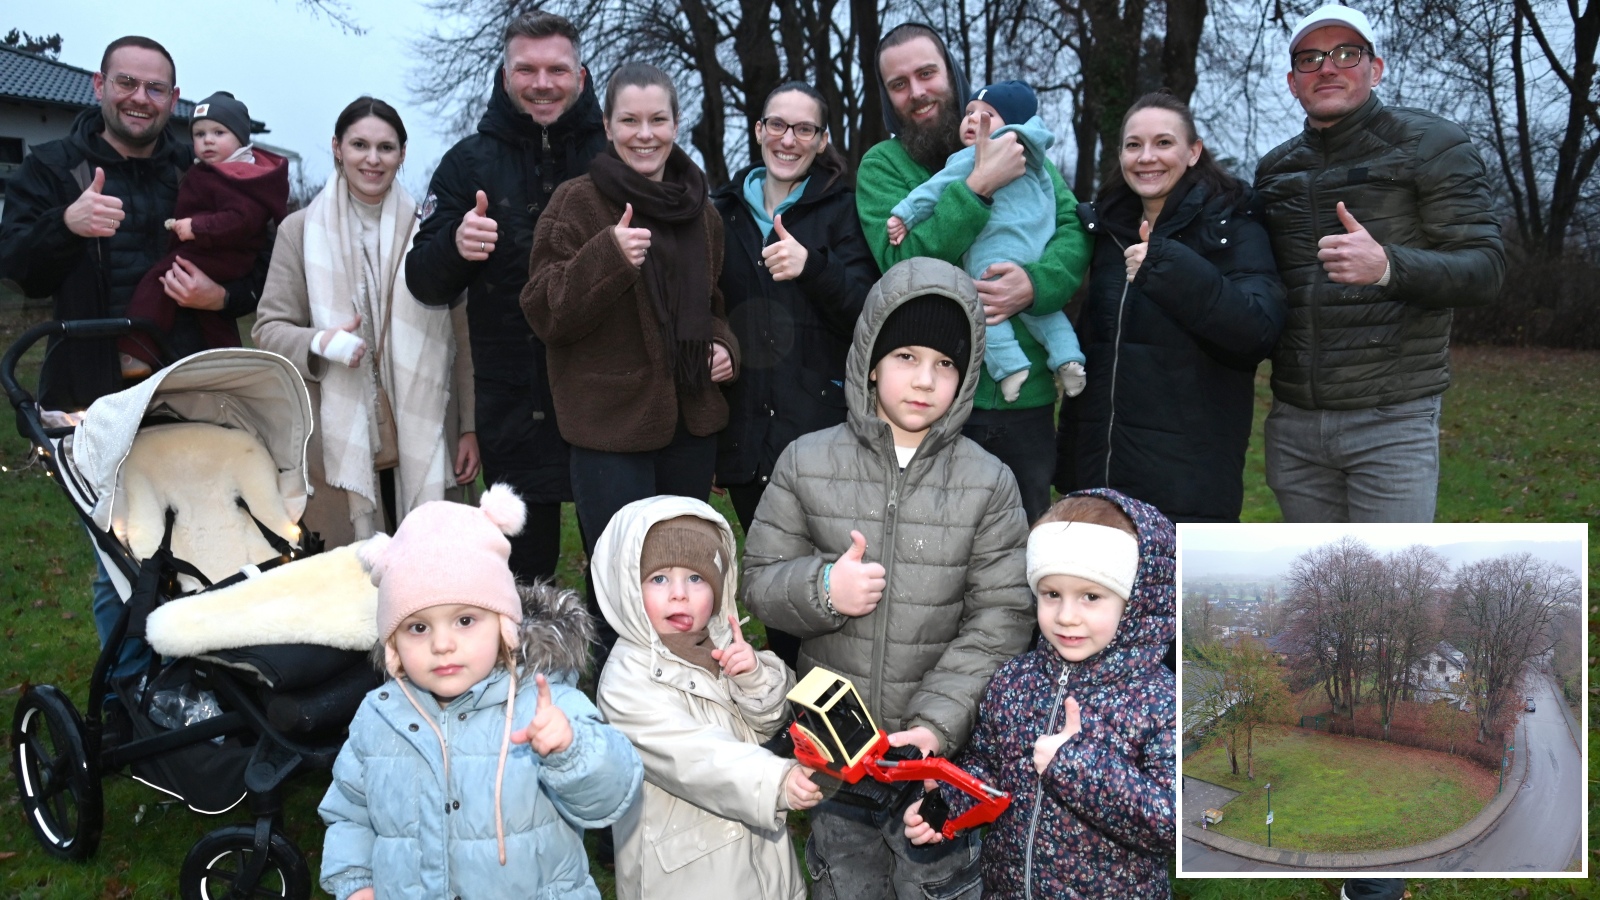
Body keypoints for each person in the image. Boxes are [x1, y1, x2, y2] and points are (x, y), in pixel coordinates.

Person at [743, 257, 1034, 899]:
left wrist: (935, 726)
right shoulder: (805, 460)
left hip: (935, 764)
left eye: (946, 364)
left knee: (932, 887)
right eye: (906, 355)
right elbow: (758, 580)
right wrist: (824, 590)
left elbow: (1001, 621)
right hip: (836, 760)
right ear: (870, 358)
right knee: (844, 883)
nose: (925, 380)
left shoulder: (989, 483)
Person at [0, 35, 268, 687]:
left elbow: (257, 260)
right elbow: (18, 267)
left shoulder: (195, 173)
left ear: (173, 98)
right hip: (94, 394)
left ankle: (201, 676)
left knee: (202, 538)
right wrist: (67, 221)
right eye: (127, 83)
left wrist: (225, 295)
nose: (139, 99)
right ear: (99, 86)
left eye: (154, 88)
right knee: (121, 554)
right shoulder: (52, 169)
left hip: (192, 388)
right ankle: (131, 690)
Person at [317, 485, 643, 900]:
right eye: (418, 628)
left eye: (465, 620)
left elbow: (611, 796)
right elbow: (349, 812)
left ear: (505, 627)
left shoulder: (546, 703)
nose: (442, 644)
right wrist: (356, 882)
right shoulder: (378, 717)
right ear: (394, 646)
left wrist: (572, 750)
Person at [1255, 3, 1504, 522]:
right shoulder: (1274, 170)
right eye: (1310, 58)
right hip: (1294, 424)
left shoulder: (1433, 144)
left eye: (1347, 53)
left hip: (1392, 420)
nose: (1327, 67)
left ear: (1376, 67)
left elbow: (1485, 270)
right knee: (1317, 592)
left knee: (1392, 589)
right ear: (1292, 81)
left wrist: (1388, 266)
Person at [522, 62, 737, 657]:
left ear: (676, 123)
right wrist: (607, 257)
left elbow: (714, 303)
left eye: (658, 119)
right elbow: (543, 310)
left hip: (689, 427)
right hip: (608, 427)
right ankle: (620, 703)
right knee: (622, 578)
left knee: (687, 576)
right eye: (630, 120)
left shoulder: (703, 210)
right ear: (609, 128)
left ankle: (687, 687)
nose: (645, 134)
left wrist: (723, 347)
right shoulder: (577, 202)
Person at [856, 22, 1092, 524]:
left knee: (1025, 543)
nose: (917, 92)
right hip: (928, 405)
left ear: (952, 75)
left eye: (927, 74)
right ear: (887, 97)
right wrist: (978, 186)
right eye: (899, 84)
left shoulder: (1016, 142)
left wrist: (1036, 283)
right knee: (932, 556)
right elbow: (902, 265)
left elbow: (1069, 227)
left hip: (1022, 401)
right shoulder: (884, 166)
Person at [406, 11, 606, 583]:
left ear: (582, 76)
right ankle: (527, 668)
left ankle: (624, 671)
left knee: (619, 557)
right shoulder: (467, 162)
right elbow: (422, 280)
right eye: (527, 69)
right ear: (505, 74)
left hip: (606, 396)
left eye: (556, 69)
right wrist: (455, 244)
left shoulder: (616, 156)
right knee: (521, 571)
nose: (541, 82)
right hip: (512, 404)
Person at [903, 490, 1177, 898]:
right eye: (1052, 594)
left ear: (1136, 602)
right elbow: (988, 767)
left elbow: (1172, 823)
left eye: (1091, 596)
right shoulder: (1015, 679)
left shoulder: (1161, 701)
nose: (1066, 615)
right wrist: (951, 802)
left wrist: (1076, 766)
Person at [253, 97, 478, 549]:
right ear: (337, 148)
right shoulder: (298, 231)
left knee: (437, 572)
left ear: (402, 154)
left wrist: (470, 427)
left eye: (386, 147)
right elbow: (268, 330)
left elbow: (463, 337)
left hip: (431, 427)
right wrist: (321, 342)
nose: (372, 159)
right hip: (337, 442)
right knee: (355, 584)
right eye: (359, 145)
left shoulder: (433, 229)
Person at [1056, 90, 1285, 522]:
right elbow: (1096, 355)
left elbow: (1258, 332)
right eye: (1133, 145)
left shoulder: (1232, 223)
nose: (1147, 157)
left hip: (1189, 491)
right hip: (1099, 487)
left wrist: (1169, 267)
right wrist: (1069, 469)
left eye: (1164, 143)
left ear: (1193, 151)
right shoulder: (1105, 231)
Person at [712, 80, 875, 668]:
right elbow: (703, 306)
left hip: (820, 427)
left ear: (822, 140)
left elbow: (867, 307)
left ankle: (830, 704)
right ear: (758, 130)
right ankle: (782, 702)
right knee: (773, 574)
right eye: (776, 125)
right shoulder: (721, 211)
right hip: (746, 431)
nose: (788, 139)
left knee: (830, 573)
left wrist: (812, 266)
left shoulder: (841, 207)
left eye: (804, 129)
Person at [594, 496, 819, 900]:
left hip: (760, 863)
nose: (679, 594)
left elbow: (772, 720)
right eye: (659, 579)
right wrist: (775, 781)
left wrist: (753, 677)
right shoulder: (625, 684)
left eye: (696, 579)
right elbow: (696, 759)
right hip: (685, 875)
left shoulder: (716, 646)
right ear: (628, 585)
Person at [886, 80, 1086, 403]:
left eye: (987, 115)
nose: (973, 120)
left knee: (983, 308)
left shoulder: (974, 156)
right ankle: (1068, 358)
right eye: (969, 113)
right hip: (1034, 252)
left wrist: (905, 214)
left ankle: (1009, 368)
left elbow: (935, 189)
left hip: (992, 257)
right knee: (1047, 317)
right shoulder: (1038, 166)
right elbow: (1060, 209)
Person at [121, 91, 289, 374]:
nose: (207, 140)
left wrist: (196, 228)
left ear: (241, 138)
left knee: (159, 281)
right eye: (199, 134)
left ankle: (135, 351)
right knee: (210, 316)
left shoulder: (240, 175)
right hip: (214, 251)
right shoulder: (214, 170)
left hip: (223, 253)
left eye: (218, 132)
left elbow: (242, 220)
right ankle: (228, 363)